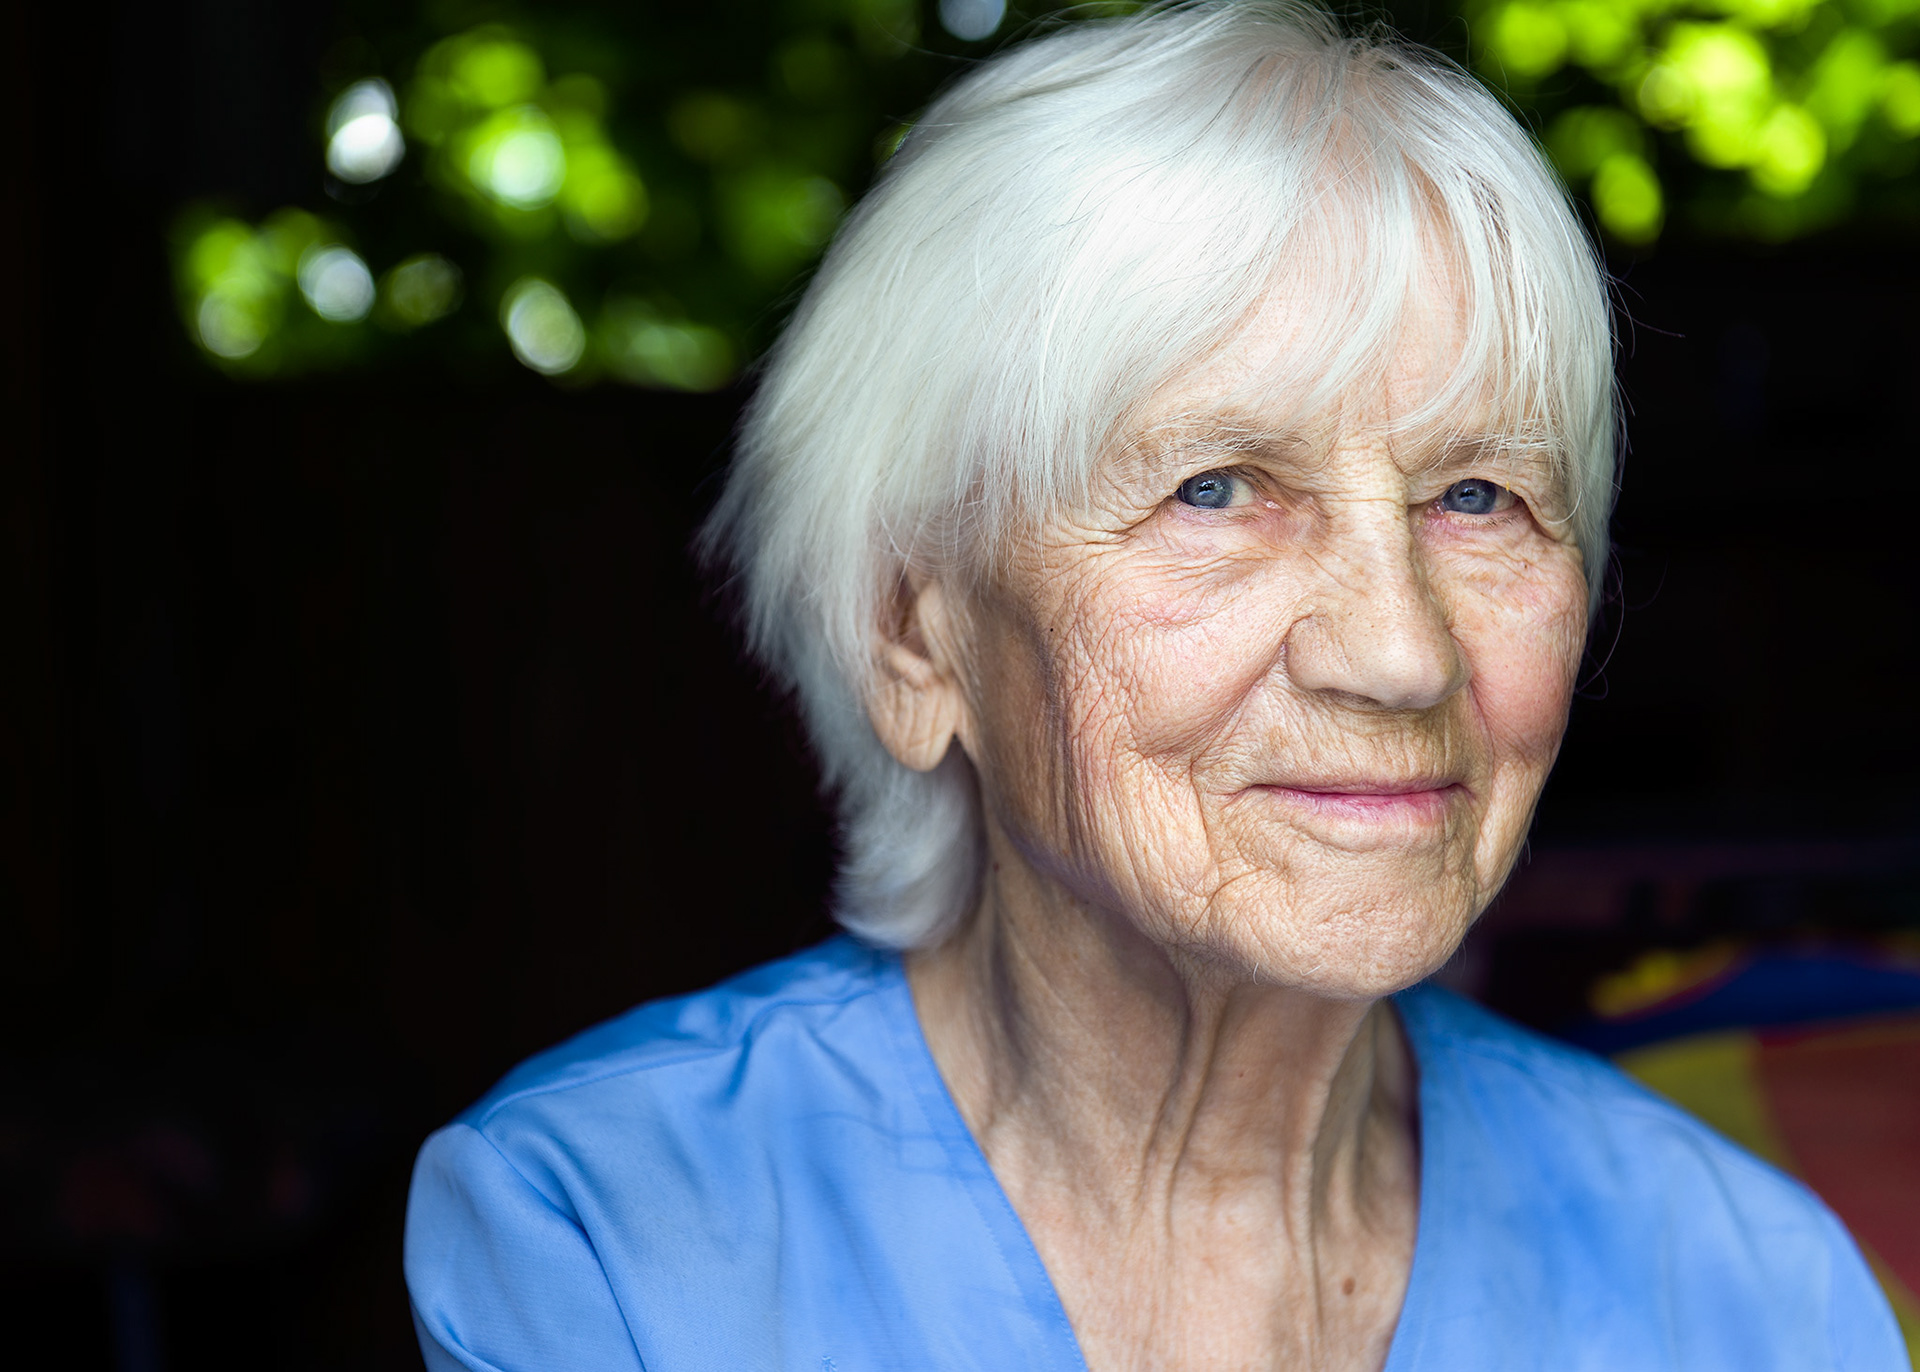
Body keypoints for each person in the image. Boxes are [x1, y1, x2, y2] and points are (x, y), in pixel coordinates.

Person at [403, 4, 1909, 1368]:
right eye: (1213, 489)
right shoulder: (607, 1237)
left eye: (1476, 499)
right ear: (915, 639)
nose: (1399, 651)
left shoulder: (1752, 1297)